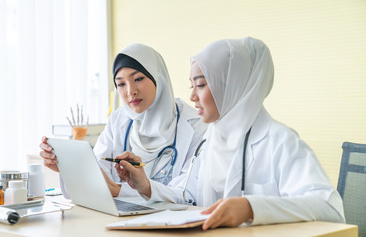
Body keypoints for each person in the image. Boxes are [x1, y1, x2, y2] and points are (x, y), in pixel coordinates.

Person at [113, 37, 345, 229]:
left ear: (232, 87)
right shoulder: (210, 140)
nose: (192, 96)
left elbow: (329, 208)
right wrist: (144, 185)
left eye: (201, 85)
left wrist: (251, 208)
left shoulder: (281, 141)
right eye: (191, 86)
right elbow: (187, 196)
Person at [40, 43, 207, 198]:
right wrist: (69, 168)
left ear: (158, 77)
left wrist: (117, 190)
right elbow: (98, 176)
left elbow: (187, 196)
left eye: (139, 79)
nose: (131, 91)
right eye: (121, 84)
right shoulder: (119, 121)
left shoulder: (196, 125)